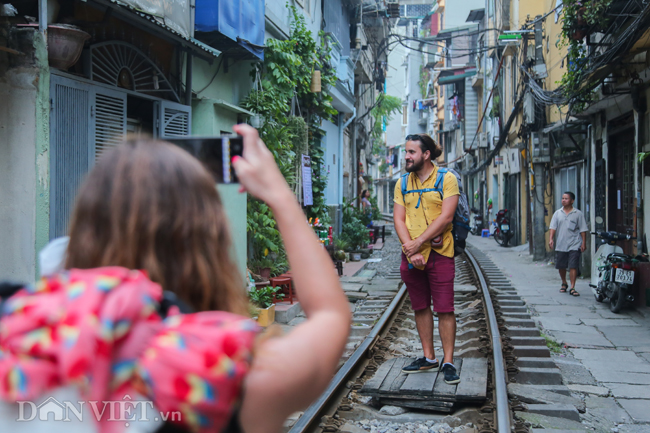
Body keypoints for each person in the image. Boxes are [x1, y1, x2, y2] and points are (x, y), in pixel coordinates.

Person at [0, 125, 351, 433]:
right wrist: (279, 194)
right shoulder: (230, 374)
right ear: (207, 243)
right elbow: (330, 315)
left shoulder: (14, 332)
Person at [393, 133, 460, 384]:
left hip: (440, 253)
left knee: (445, 308)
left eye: (411, 152)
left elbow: (446, 218)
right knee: (420, 306)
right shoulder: (402, 183)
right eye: (406, 152)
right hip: (412, 255)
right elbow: (399, 219)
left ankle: (449, 361)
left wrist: (418, 244)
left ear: (426, 154)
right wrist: (411, 250)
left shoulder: (447, 179)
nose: (407, 157)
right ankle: (429, 357)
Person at [549, 191, 588, 297]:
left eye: (566, 198)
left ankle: (572, 287)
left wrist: (583, 243)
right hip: (561, 244)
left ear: (572, 201)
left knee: (573, 265)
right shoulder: (557, 213)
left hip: (574, 243)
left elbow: (583, 230)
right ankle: (564, 282)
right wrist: (551, 239)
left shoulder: (578, 214)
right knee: (561, 266)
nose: (563, 200)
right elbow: (553, 227)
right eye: (562, 198)